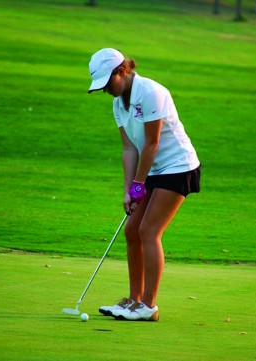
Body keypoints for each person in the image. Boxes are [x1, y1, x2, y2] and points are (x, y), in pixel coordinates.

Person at [88, 48, 201, 321]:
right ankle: (133, 300)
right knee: (131, 231)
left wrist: (139, 186)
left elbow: (152, 144)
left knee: (149, 231)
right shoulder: (118, 103)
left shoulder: (150, 92)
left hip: (177, 167)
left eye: (107, 83)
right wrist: (128, 190)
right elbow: (129, 149)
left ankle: (149, 306)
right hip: (151, 169)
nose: (104, 90)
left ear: (121, 71)